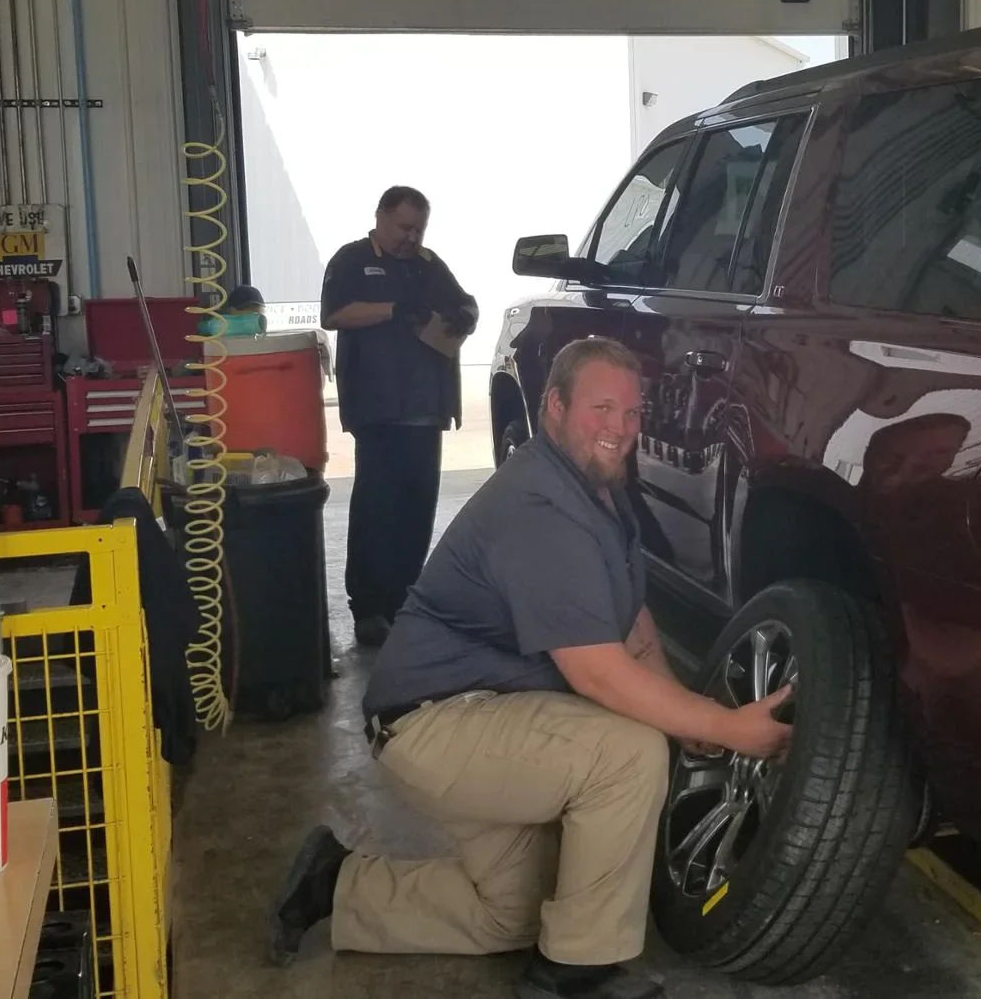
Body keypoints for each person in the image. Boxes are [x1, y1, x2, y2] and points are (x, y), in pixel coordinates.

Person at [268, 337, 794, 999]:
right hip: (435, 723)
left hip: (484, 711)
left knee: (514, 911)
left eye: (633, 413)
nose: (622, 428)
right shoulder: (539, 508)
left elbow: (630, 619)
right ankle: (574, 974)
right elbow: (597, 673)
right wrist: (726, 724)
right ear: (554, 407)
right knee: (629, 753)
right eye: (602, 407)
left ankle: (335, 882)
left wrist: (688, 712)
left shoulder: (598, 491)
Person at [320, 185, 479, 648]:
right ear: (382, 218)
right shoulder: (351, 260)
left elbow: (463, 299)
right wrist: (394, 309)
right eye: (405, 227)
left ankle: (405, 601)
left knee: (417, 506)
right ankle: (368, 607)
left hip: (426, 406)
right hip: (378, 407)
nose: (412, 237)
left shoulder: (429, 265)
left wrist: (467, 314)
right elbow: (335, 314)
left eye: (419, 229)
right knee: (377, 507)